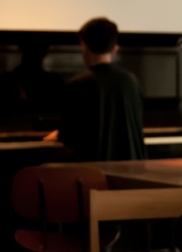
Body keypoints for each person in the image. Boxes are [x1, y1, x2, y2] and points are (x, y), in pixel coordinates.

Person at [50, 17, 147, 162]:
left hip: (95, 170)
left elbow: (69, 137)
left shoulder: (77, 85)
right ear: (114, 49)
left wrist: (58, 134)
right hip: (132, 167)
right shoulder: (131, 81)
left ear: (84, 46)